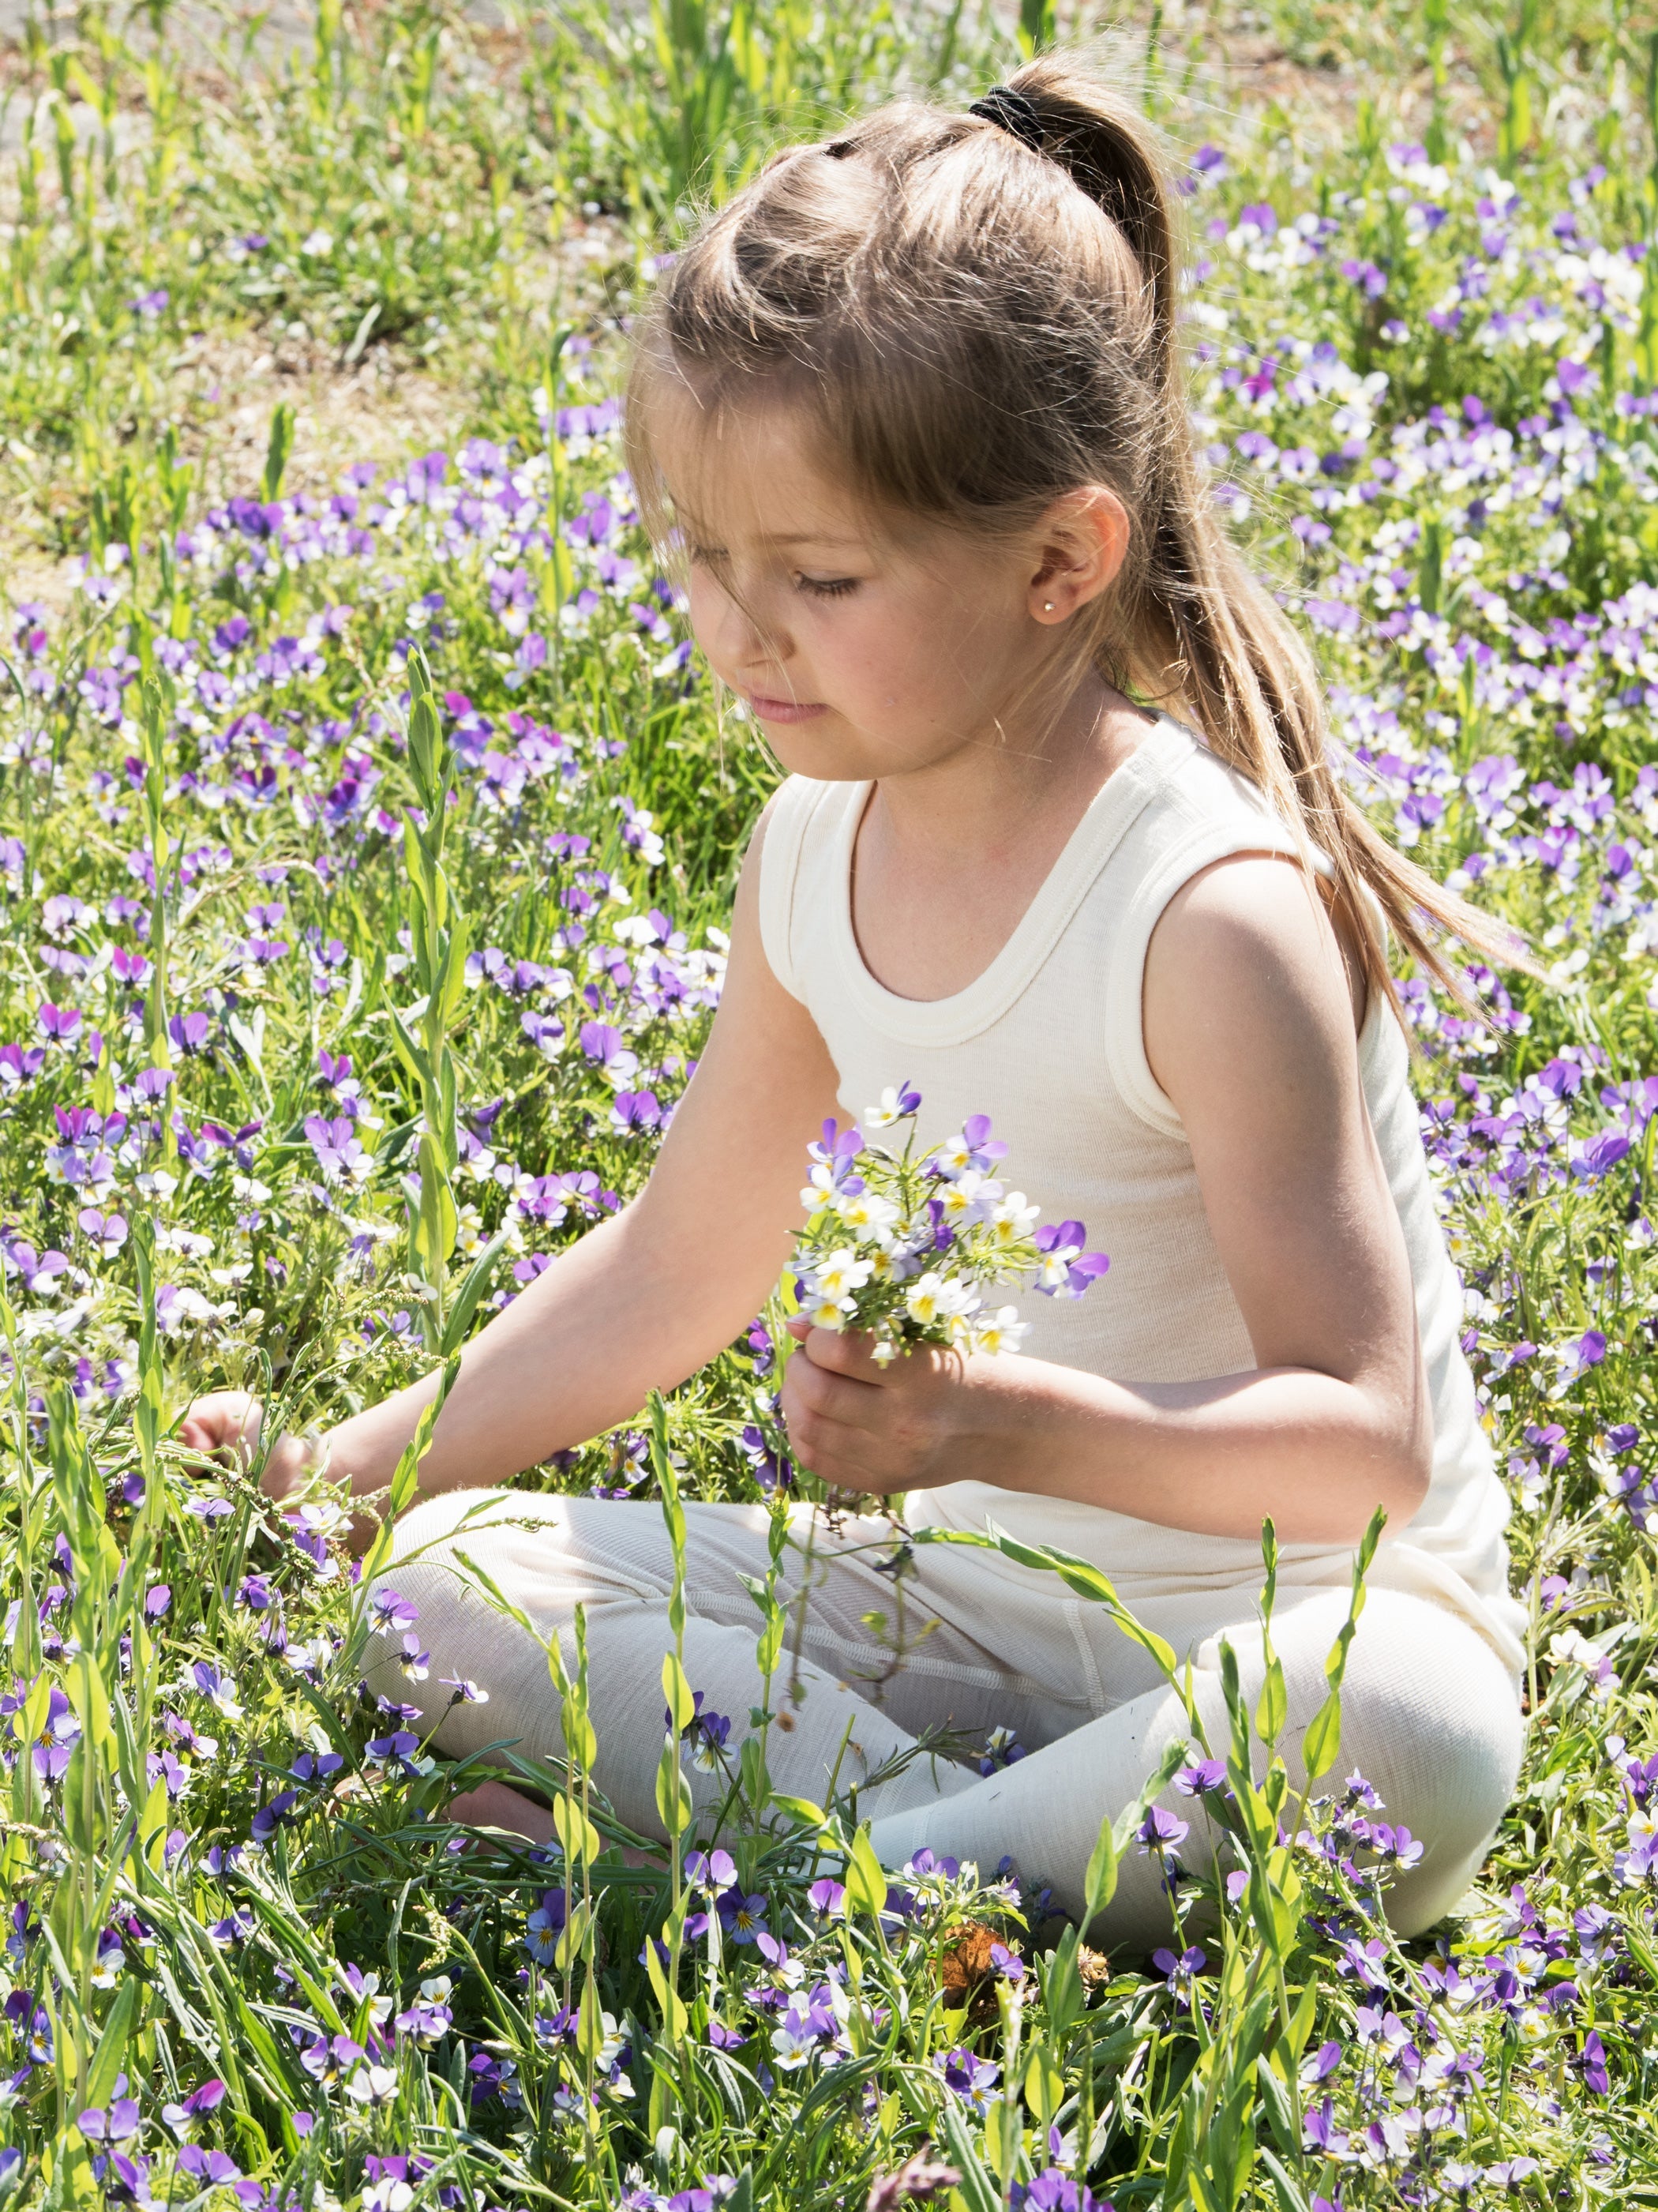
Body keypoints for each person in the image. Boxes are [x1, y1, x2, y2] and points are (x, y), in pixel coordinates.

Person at [182, 59, 1529, 1949]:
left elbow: (1364, 1445)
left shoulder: (1207, 912)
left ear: (1063, 560)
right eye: (702, 560)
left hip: (1274, 1627)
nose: (740, 634)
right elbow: (677, 1269)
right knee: (440, 1575)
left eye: (818, 576)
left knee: (1418, 1734)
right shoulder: (812, 853)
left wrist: (999, 1425)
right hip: (950, 1607)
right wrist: (335, 1481)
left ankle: (796, 1888)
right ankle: (935, 1898)